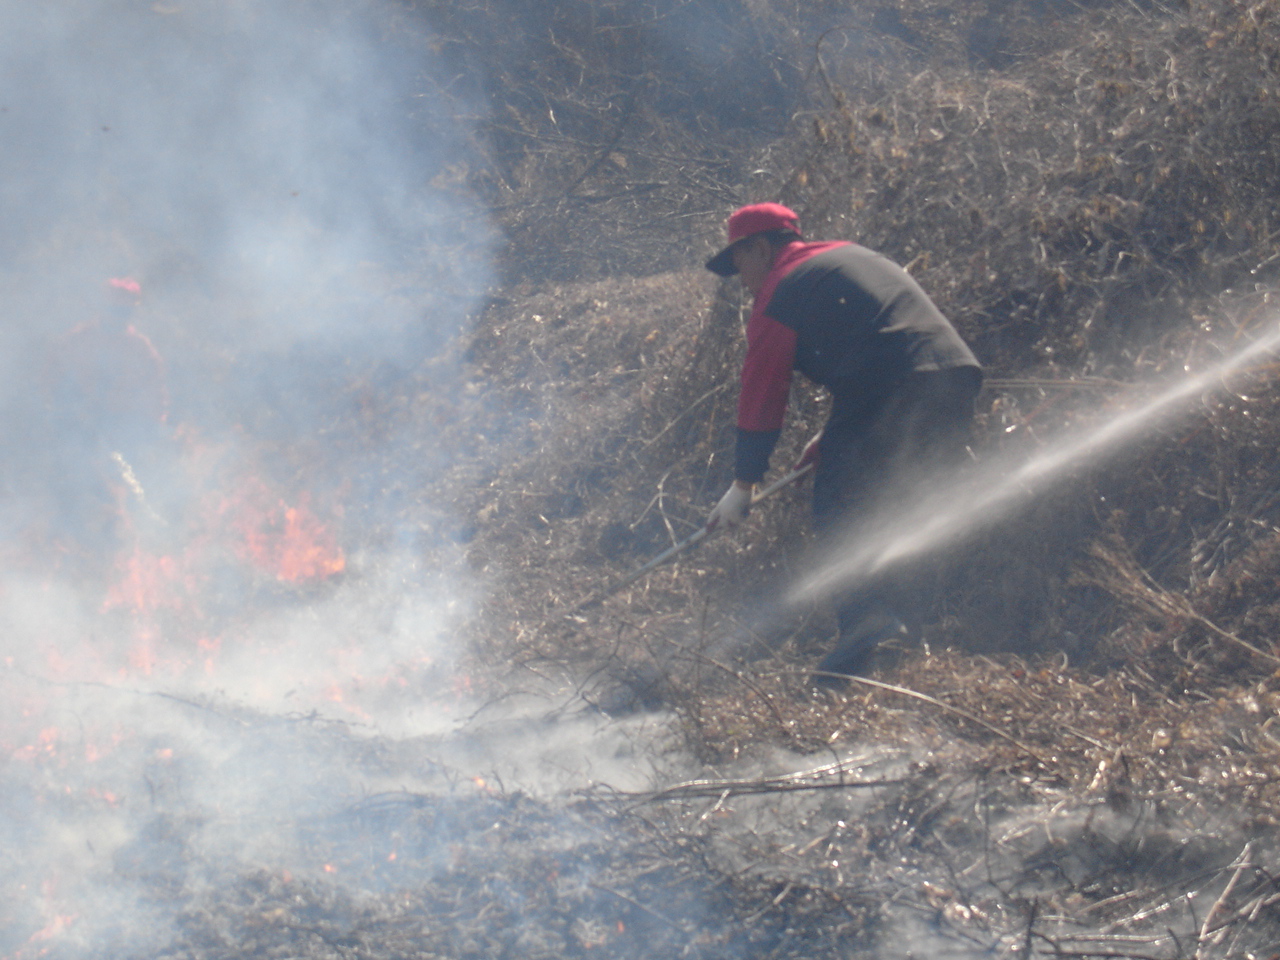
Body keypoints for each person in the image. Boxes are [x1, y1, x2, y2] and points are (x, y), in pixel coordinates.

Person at [702, 202, 982, 683]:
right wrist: (830, 437)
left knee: (841, 506)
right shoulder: (850, 256)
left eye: (739, 262)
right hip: (953, 376)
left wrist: (743, 484)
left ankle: (865, 634)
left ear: (762, 248)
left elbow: (762, 394)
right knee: (909, 502)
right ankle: (901, 635)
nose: (741, 280)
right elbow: (878, 344)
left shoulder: (780, 290)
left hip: (892, 387)